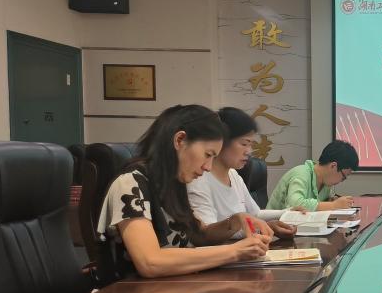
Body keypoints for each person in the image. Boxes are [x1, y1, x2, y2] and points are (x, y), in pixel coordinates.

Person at [96, 104, 271, 280]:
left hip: (179, 286)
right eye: (208, 154)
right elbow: (150, 262)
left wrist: (234, 222)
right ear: (180, 140)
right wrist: (235, 251)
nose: (208, 167)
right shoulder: (130, 183)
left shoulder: (173, 183)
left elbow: (200, 235)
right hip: (135, 292)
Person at [187, 107, 296, 238]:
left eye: (251, 145)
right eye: (244, 144)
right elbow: (207, 235)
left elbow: (255, 214)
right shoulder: (198, 179)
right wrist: (261, 228)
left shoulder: (233, 174)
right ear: (221, 142)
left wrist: (287, 212)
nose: (249, 152)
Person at [267, 139, 359, 211]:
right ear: (333, 166)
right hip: (273, 227)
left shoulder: (326, 183)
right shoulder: (301, 174)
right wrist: (333, 205)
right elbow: (295, 204)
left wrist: (332, 200)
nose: (341, 181)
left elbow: (321, 203)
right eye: (343, 177)